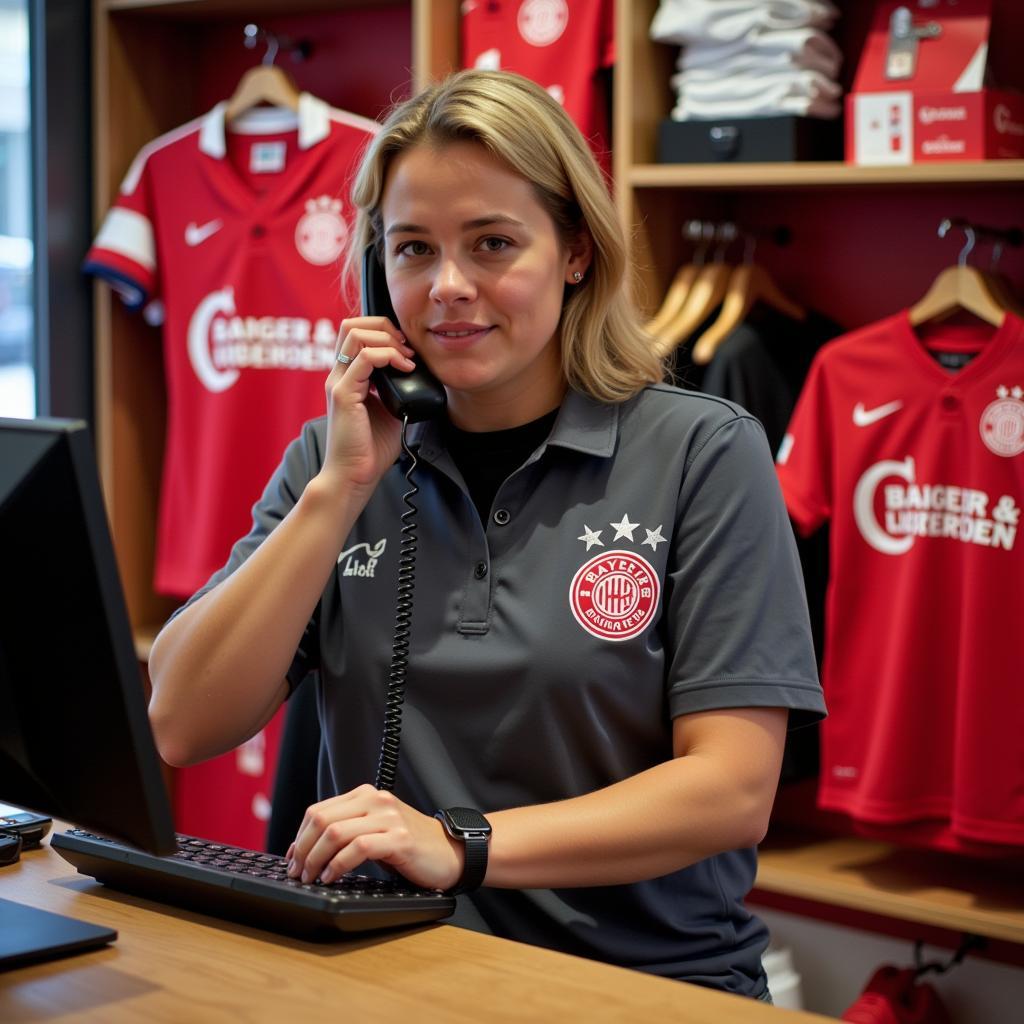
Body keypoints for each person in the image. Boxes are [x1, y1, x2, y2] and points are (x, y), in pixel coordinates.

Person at [148, 69, 825, 1001]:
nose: (449, 287)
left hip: (637, 985)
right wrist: (338, 493)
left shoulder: (703, 452)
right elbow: (183, 720)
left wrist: (458, 843)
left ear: (576, 251)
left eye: (494, 243)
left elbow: (733, 791)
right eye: (414, 249)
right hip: (387, 976)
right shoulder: (338, 457)